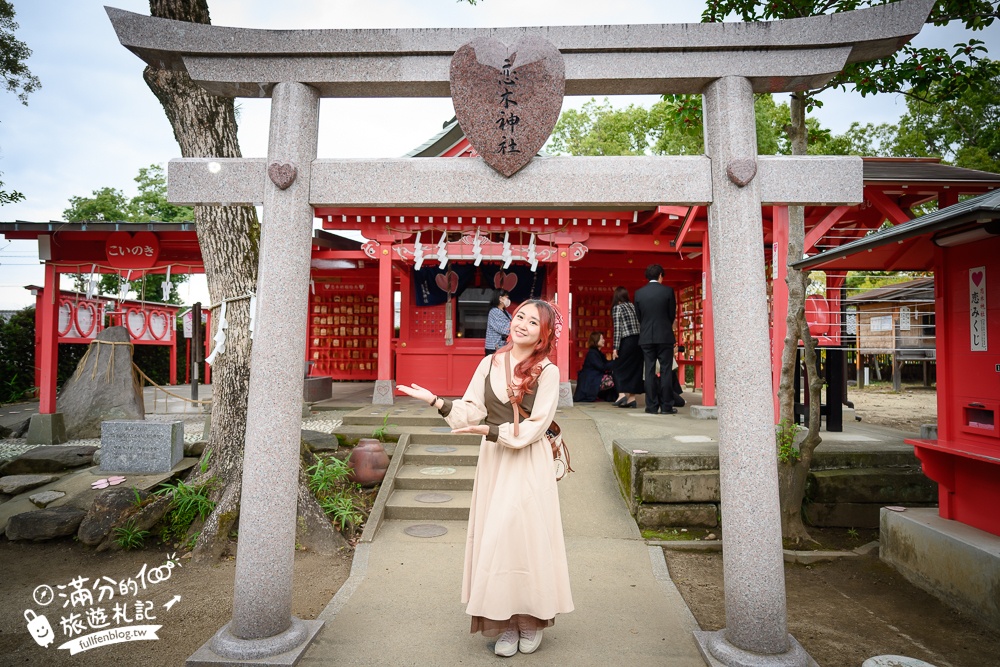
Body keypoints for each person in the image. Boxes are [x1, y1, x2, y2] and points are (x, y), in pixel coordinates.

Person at [397, 300, 573, 657]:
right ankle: (505, 621)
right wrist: (437, 402)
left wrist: (494, 432)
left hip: (528, 458)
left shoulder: (549, 371)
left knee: (525, 536)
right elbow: (472, 409)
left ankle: (531, 619)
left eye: (532, 321)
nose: (521, 324)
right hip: (495, 460)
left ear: (543, 334)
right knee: (498, 538)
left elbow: (538, 424)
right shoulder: (489, 363)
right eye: (519, 316)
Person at [634, 264, 677, 414]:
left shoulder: (639, 294)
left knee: (649, 372)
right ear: (660, 275)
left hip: (646, 337)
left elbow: (639, 317)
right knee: (666, 371)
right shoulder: (668, 291)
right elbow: (672, 314)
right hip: (664, 335)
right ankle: (666, 406)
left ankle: (651, 406)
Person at [610, 286, 643, 408]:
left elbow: (618, 329)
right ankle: (632, 399)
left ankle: (621, 394)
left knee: (617, 367)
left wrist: (615, 348)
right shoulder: (633, 306)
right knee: (634, 369)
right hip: (639, 341)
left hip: (627, 341)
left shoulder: (617, 308)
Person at [573, 331, 615, 403]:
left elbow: (606, 363)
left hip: (594, 378)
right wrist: (615, 361)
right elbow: (602, 367)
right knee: (613, 378)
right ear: (596, 340)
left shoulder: (598, 353)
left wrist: (615, 361)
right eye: (601, 339)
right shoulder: (592, 354)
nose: (604, 340)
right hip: (590, 380)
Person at [484, 289, 512, 356]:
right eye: (506, 297)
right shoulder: (494, 312)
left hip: (502, 346)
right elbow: (504, 329)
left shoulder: (505, 312)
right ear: (500, 298)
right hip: (494, 347)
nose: (508, 300)